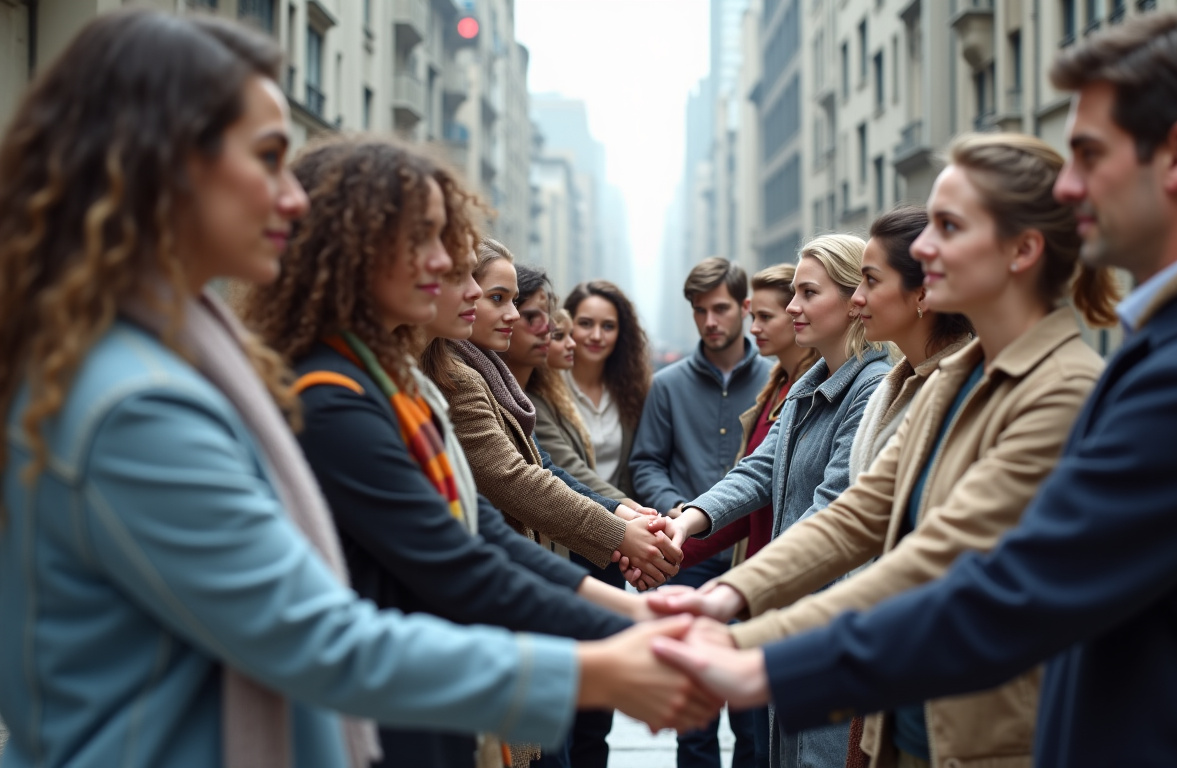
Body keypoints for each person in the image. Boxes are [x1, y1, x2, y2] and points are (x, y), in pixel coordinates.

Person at [0, 10, 717, 768]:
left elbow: (474, 536)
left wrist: (627, 624)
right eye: (270, 157)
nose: (294, 198)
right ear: (160, 160)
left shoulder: (185, 360)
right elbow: (319, 635)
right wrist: (607, 666)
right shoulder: (142, 401)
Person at [653, 7, 1177, 767]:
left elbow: (1002, 587)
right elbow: (871, 518)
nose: (1070, 185)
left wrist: (753, 661)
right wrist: (729, 604)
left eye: (1086, 152)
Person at [653, 137, 1112, 768]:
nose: (924, 248)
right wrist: (722, 601)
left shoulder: (1061, 392)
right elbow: (858, 513)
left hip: (990, 737)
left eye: (947, 227)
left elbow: (931, 557)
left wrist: (754, 651)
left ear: (1022, 251)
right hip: (910, 719)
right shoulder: (948, 377)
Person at [241, 137, 663, 768]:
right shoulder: (330, 399)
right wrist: (624, 645)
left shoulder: (397, 383)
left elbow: (478, 529)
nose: (445, 266)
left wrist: (634, 609)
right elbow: (457, 560)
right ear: (353, 249)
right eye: (428, 241)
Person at [662, 236, 895, 768]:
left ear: (852, 297)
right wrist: (688, 521)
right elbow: (758, 469)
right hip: (790, 610)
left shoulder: (872, 388)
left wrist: (740, 589)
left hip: (829, 618)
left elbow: (834, 510)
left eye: (807, 293)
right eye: (792, 293)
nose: (791, 308)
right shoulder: (806, 384)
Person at [419, 242, 681, 589]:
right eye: (498, 299)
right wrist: (621, 532)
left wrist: (627, 515)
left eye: (513, 301)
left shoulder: (489, 374)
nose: (514, 316)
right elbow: (513, 479)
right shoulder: (457, 377)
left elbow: (541, 466)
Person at [627, 257, 773, 768]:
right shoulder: (666, 385)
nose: (710, 321)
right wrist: (677, 513)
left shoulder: (779, 380)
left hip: (756, 557)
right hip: (685, 555)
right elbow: (645, 461)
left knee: (754, 720)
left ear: (745, 308)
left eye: (720, 308)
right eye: (698, 311)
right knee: (692, 715)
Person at [505, 264, 639, 768]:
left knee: (587, 726)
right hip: (558, 567)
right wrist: (627, 523)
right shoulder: (507, 392)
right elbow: (541, 477)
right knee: (556, 733)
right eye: (534, 316)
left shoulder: (534, 390)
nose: (552, 332)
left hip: (594, 553)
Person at [676, 264, 819, 571]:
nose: (753, 328)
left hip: (790, 574)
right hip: (758, 572)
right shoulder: (776, 388)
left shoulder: (815, 393)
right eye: (754, 317)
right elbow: (751, 493)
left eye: (765, 317)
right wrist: (674, 541)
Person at [848, 205, 975, 480]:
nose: (857, 297)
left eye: (871, 280)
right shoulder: (894, 384)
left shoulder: (964, 392)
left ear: (923, 295)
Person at [519, 299, 628, 505]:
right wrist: (623, 507)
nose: (572, 343)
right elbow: (563, 465)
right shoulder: (533, 399)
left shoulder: (629, 391)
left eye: (608, 326)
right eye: (558, 336)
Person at [563, 280, 652, 500]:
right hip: (566, 520)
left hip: (625, 526)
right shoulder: (546, 389)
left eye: (608, 326)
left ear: (621, 333)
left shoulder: (635, 389)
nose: (596, 336)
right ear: (568, 325)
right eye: (585, 323)